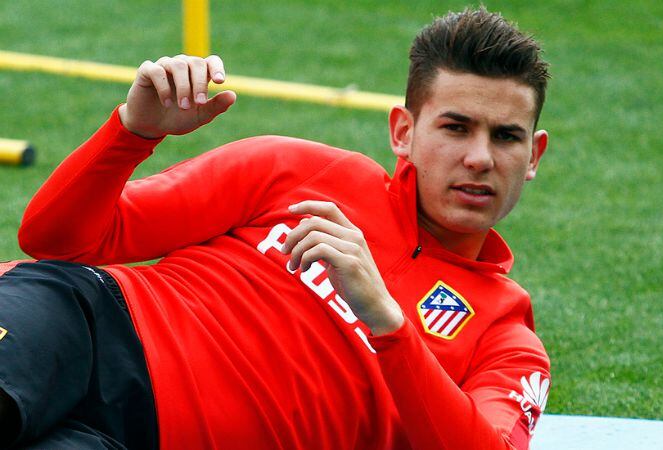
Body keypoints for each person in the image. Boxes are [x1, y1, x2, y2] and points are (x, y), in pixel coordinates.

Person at [0, 7, 551, 449]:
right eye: (456, 128)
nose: (479, 158)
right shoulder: (297, 168)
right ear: (403, 131)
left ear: (533, 154)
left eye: (506, 137)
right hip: (86, 323)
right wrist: (132, 132)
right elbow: (56, 241)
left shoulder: (507, 340)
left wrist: (389, 323)